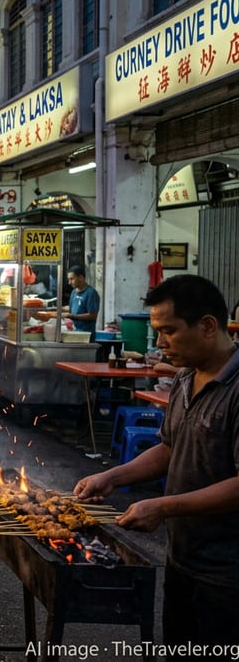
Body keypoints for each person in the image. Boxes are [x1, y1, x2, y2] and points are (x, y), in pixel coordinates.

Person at [74, 274, 239, 652]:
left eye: (169, 331)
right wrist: (113, 476)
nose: (159, 343)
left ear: (208, 326)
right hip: (183, 559)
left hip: (229, 574)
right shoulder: (185, 379)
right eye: (157, 331)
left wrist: (163, 507)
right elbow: (169, 448)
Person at [64, 265, 100, 333]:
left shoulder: (91, 293)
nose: (69, 283)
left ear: (80, 277)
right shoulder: (74, 292)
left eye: (72, 279)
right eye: (68, 279)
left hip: (86, 334)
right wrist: (59, 309)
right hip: (74, 331)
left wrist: (73, 316)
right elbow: (73, 307)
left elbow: (93, 315)